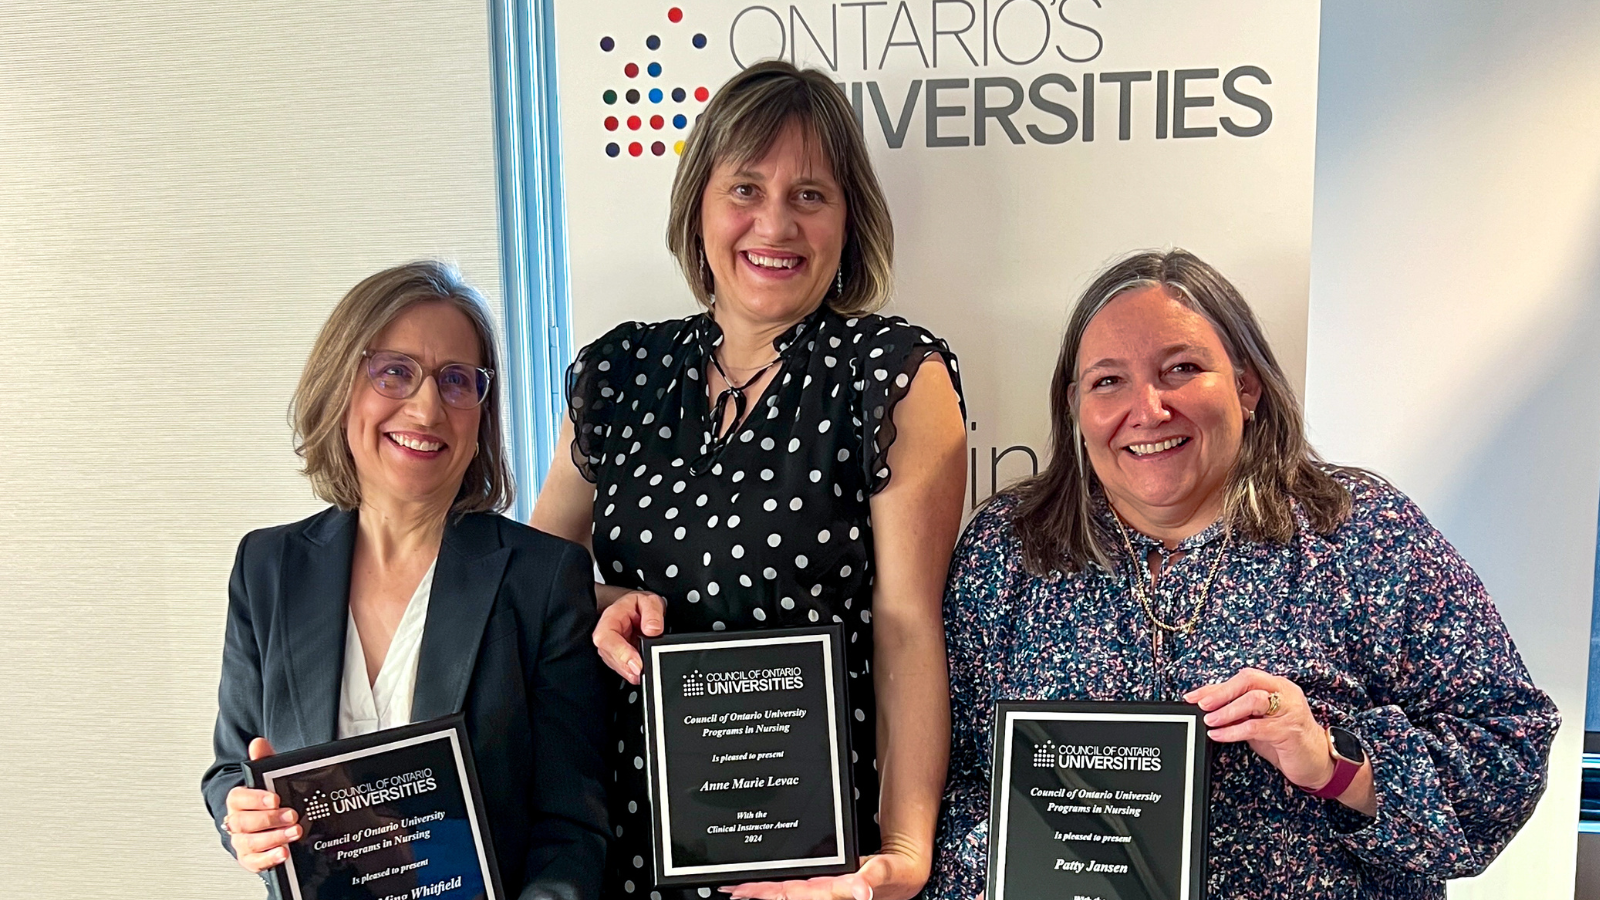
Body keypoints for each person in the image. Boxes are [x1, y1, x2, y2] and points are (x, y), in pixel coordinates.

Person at [928, 249, 1558, 898]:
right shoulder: (1009, 547)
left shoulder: (1361, 531)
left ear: (1246, 385)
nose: (1147, 409)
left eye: (1181, 369)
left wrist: (1331, 760)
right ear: (1076, 406)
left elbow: (1509, 749)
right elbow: (941, 781)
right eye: (1108, 381)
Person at [532, 60, 968, 900]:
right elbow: (536, 578)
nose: (775, 223)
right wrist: (599, 602)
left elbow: (909, 627)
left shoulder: (893, 375)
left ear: (848, 221)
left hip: (813, 857)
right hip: (626, 838)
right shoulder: (618, 371)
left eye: (810, 194)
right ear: (698, 206)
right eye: (744, 188)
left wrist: (907, 849)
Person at [201, 261, 609, 900]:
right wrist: (243, 819)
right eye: (394, 372)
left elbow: (572, 828)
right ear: (341, 388)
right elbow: (232, 768)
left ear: (481, 414)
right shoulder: (267, 567)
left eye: (455, 381)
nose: (425, 407)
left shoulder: (542, 578)